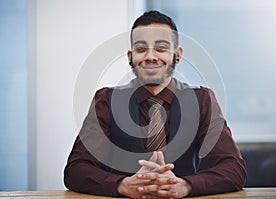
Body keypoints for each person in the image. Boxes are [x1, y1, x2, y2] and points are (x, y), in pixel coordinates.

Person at [64, 10, 246, 198]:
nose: (151, 56)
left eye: (161, 48)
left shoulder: (202, 100)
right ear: (130, 56)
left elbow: (234, 169)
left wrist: (183, 186)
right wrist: (123, 185)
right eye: (141, 49)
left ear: (177, 54)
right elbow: (76, 170)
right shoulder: (105, 101)